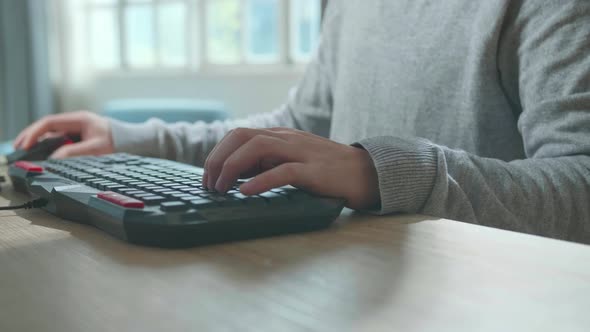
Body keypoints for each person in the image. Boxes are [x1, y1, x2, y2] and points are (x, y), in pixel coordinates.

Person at [14, 1, 590, 243]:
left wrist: (382, 170)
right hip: (349, 287)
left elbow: (579, 184)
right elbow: (294, 129)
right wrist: (130, 137)